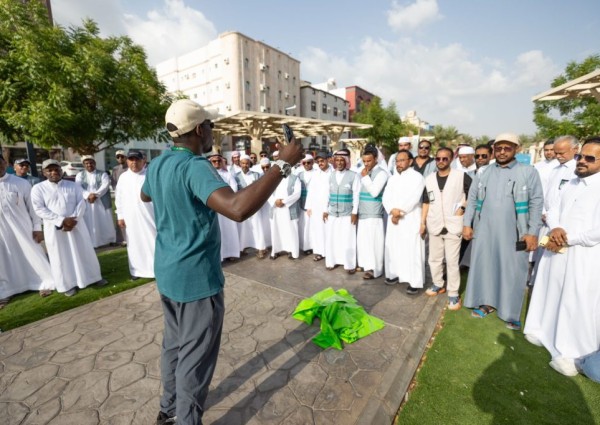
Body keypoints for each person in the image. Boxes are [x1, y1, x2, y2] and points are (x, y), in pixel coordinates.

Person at [141, 99, 302, 425]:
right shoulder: (195, 166)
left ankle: (168, 408)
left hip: (168, 271)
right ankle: (185, 419)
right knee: (194, 358)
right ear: (200, 129)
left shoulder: (159, 164)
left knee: (174, 344)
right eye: (211, 126)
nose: (213, 131)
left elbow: (146, 195)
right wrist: (282, 165)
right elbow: (237, 208)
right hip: (196, 279)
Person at [524, 138, 600, 377]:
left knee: (575, 300)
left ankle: (571, 352)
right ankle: (541, 330)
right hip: (556, 247)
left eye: (590, 158)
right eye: (581, 157)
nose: (582, 162)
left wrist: (569, 238)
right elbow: (554, 208)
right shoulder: (571, 182)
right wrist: (555, 228)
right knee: (550, 289)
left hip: (582, 256)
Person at [463, 133, 543, 329]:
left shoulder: (528, 172)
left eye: (507, 148)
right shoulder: (484, 172)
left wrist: (532, 232)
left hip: (516, 231)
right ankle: (487, 303)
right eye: (498, 148)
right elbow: (472, 199)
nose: (502, 152)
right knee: (486, 265)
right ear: (493, 150)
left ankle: (511, 312)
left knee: (513, 270)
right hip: (485, 229)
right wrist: (467, 224)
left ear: (516, 149)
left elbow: (536, 202)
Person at [31, 159, 107, 297]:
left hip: (77, 225)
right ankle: (67, 284)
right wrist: (61, 221)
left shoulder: (73, 186)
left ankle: (93, 278)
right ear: (44, 172)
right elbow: (39, 209)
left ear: (62, 170)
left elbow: (81, 203)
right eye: (50, 170)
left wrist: (73, 220)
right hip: (55, 228)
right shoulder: (38, 188)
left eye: (56, 169)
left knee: (84, 250)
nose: (54, 172)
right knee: (60, 256)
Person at [0, 155, 54, 308]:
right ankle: (6, 291)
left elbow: (33, 209)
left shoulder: (20, 183)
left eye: (0, 163)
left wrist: (37, 228)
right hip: (2, 232)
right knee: (4, 260)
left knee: (33, 254)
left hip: (24, 229)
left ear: (5, 163)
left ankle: (43, 284)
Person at [422, 148, 471, 308]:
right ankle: (438, 283)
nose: (441, 161)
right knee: (434, 259)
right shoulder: (429, 179)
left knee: (452, 261)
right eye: (438, 159)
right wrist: (422, 222)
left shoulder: (461, 176)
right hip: (434, 224)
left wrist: (463, 208)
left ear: (451, 159)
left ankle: (453, 293)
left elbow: (473, 196)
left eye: (445, 159)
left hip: (453, 224)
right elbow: (426, 201)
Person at [382, 150, 425, 292]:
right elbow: (385, 197)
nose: (399, 163)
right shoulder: (393, 178)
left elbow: (414, 198)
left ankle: (414, 282)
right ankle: (393, 274)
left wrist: (399, 212)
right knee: (394, 247)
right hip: (393, 219)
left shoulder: (417, 177)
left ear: (410, 161)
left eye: (402, 160)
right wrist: (391, 211)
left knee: (411, 249)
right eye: (397, 161)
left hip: (410, 218)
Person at [115, 150, 156, 280]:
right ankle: (137, 270)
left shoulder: (150, 175)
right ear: (127, 161)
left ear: (143, 160)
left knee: (153, 240)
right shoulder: (123, 177)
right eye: (131, 159)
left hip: (150, 215)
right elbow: (119, 198)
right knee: (133, 243)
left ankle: (155, 269)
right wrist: (120, 215)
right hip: (130, 217)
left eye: (137, 160)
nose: (134, 162)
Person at [324, 150, 360, 274]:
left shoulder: (354, 176)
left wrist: (354, 212)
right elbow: (327, 194)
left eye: (342, 160)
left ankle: (349, 265)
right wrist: (325, 210)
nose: (339, 163)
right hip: (333, 212)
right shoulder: (331, 175)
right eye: (337, 160)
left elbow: (356, 195)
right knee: (332, 238)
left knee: (348, 239)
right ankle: (331, 262)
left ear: (347, 161)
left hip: (347, 213)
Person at [356, 145, 388, 280]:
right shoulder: (364, 172)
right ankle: (366, 266)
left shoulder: (382, 173)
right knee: (364, 242)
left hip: (374, 214)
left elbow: (375, 192)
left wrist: (365, 177)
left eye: (369, 161)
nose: (366, 164)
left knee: (374, 243)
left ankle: (375, 270)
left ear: (376, 159)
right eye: (364, 161)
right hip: (363, 213)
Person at [75, 156, 116, 248]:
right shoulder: (80, 175)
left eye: (91, 163)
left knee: (105, 220)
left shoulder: (103, 174)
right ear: (84, 165)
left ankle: (109, 239)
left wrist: (95, 195)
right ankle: (92, 241)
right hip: (87, 201)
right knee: (89, 221)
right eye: (87, 163)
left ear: (95, 163)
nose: (89, 165)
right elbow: (78, 187)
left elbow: (105, 186)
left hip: (101, 201)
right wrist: (88, 195)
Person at [235, 154, 271, 259]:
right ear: (240, 164)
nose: (245, 165)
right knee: (243, 227)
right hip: (242, 205)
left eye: (247, 163)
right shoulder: (236, 176)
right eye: (243, 163)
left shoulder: (256, 175)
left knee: (257, 226)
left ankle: (260, 248)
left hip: (254, 206)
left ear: (249, 163)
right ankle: (243, 248)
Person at [208, 152, 241, 262]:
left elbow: (234, 188)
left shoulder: (228, 174)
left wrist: (226, 200)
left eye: (218, 161)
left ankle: (231, 253)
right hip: (214, 208)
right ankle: (219, 256)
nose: (217, 163)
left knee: (229, 230)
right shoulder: (207, 174)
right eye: (214, 161)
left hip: (227, 207)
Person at [268, 164, 301, 260]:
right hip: (276, 209)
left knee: (291, 230)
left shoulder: (295, 178)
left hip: (289, 209)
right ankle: (276, 251)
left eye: (286, 167)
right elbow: (267, 192)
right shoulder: (273, 179)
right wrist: (275, 201)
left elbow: (297, 193)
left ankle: (292, 251)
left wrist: (284, 202)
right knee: (276, 230)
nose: (284, 169)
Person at [305, 152, 331, 262]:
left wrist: (327, 209)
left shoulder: (333, 173)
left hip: (328, 207)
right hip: (316, 207)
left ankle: (329, 253)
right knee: (317, 231)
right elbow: (311, 191)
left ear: (327, 160)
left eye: (322, 161)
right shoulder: (315, 174)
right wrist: (309, 207)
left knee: (328, 231)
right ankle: (320, 252)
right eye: (318, 161)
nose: (320, 163)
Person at [296, 154, 316, 255]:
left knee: (312, 227)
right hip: (301, 204)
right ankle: (303, 246)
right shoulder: (299, 174)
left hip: (313, 204)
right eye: (304, 163)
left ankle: (313, 246)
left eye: (309, 162)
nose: (306, 164)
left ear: (313, 162)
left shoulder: (317, 174)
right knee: (303, 226)